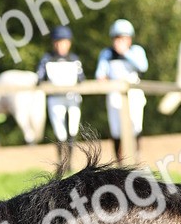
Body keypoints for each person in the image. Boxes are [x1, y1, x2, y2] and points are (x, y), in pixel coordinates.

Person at [95, 19, 148, 162]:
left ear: (130, 39)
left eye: (124, 38)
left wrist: (125, 53)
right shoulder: (106, 54)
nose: (120, 41)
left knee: (136, 126)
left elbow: (143, 67)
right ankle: (119, 162)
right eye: (118, 38)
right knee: (116, 129)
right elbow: (100, 74)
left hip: (134, 95)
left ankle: (137, 159)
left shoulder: (136, 51)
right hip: (114, 96)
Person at [36, 26, 85, 146]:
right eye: (58, 42)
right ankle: (61, 161)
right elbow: (39, 77)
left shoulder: (74, 59)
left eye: (64, 42)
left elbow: (81, 78)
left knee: (73, 128)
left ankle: (70, 161)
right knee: (59, 131)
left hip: (72, 97)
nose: (61, 46)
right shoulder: (47, 59)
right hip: (55, 98)